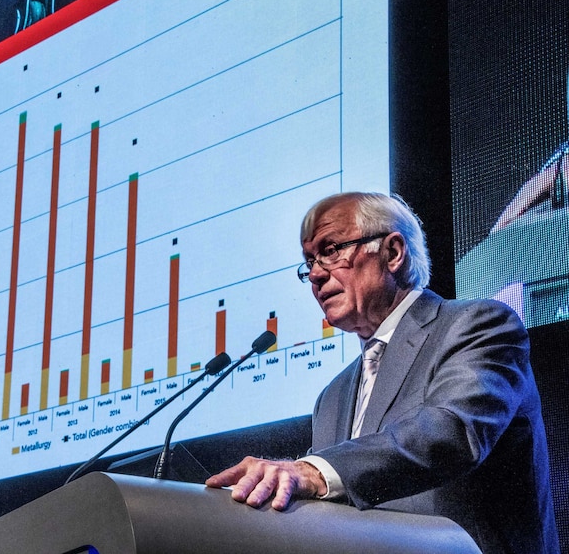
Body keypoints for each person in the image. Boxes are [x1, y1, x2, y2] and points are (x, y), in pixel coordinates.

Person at [206, 192, 558, 554]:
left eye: (330, 250)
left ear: (392, 253)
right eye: (309, 261)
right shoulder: (333, 395)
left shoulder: (479, 325)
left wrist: (312, 471)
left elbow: (452, 433)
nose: (314, 274)